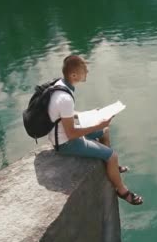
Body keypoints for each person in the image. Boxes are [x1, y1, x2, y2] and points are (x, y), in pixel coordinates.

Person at [48, 55, 143, 205]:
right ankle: (122, 191)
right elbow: (71, 134)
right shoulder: (65, 98)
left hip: (64, 133)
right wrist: (96, 125)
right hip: (65, 143)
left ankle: (110, 166)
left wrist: (91, 114)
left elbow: (65, 115)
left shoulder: (60, 85)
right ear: (74, 75)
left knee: (104, 130)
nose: (87, 71)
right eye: (84, 70)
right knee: (112, 156)